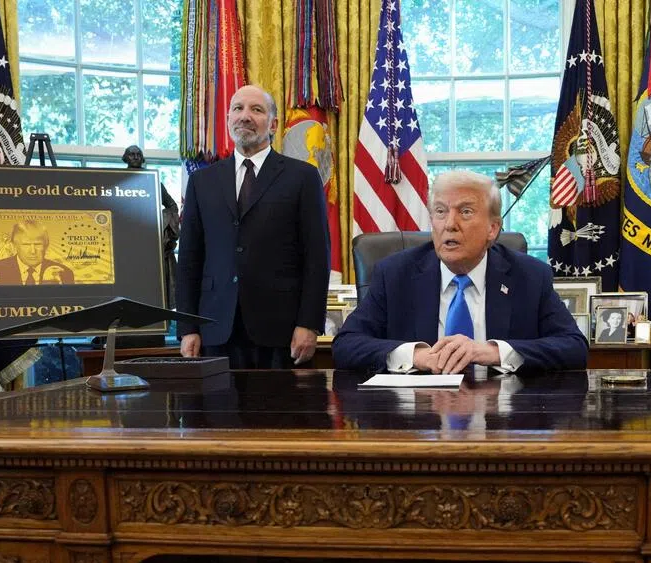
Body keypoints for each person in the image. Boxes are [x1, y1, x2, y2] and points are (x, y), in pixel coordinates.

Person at [332, 169, 587, 373]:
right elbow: (346, 345)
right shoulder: (395, 274)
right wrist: (416, 356)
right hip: (418, 420)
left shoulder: (529, 276)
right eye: (441, 212)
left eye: (465, 212)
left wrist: (492, 352)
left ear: (492, 228)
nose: (450, 224)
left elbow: (574, 347)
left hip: (502, 420)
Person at [175, 84, 329, 369]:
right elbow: (189, 260)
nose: (245, 116)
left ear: (273, 124)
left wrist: (309, 323)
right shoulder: (202, 182)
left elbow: (317, 257)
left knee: (277, 414)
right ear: (229, 119)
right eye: (238, 108)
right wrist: (187, 327)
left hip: (281, 333)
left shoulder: (303, 177)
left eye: (256, 110)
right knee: (214, 414)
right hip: (215, 329)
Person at [122, 144, 180, 307]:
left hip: (149, 239)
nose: (135, 157)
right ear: (125, 158)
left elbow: (172, 206)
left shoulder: (152, 180)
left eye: (138, 154)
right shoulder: (117, 179)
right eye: (131, 154)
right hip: (125, 237)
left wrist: (162, 223)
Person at [0, 220, 75, 286]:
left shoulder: (65, 273)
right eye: (26, 244)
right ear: (14, 245)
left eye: (38, 244)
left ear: (46, 245)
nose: (33, 251)